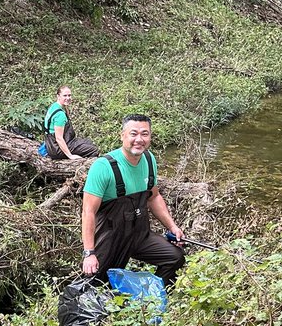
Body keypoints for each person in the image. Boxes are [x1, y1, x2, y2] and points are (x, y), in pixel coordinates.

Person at [81, 114, 186, 287]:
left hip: (139, 236)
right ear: (122, 135)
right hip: (110, 240)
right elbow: (88, 212)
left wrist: (172, 227)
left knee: (174, 257)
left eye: (145, 134)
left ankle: (150, 299)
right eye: (133, 133)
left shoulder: (149, 159)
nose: (139, 139)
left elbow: (154, 197)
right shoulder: (103, 167)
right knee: (95, 283)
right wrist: (89, 253)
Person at [44, 85, 99, 160]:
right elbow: (59, 138)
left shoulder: (54, 106)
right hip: (56, 149)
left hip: (51, 144)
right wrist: (70, 156)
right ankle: (84, 167)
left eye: (69, 95)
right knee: (93, 150)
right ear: (58, 96)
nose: (68, 98)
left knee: (88, 142)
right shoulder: (60, 115)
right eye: (65, 96)